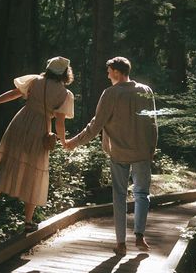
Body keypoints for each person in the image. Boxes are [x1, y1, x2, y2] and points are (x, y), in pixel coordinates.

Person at [65, 57, 157, 256]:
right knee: (142, 194)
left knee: (120, 196)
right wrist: (152, 148)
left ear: (116, 71)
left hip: (119, 153)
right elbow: (153, 122)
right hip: (142, 151)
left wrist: (74, 142)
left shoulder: (110, 93)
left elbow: (96, 125)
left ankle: (121, 243)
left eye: (109, 71)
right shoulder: (146, 90)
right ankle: (140, 235)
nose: (107, 75)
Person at [0, 56, 74, 232]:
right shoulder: (64, 94)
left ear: (49, 68)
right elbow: (60, 122)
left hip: (20, 122)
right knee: (35, 171)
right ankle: (27, 221)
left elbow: (13, 93)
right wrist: (64, 141)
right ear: (66, 73)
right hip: (41, 128)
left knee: (7, 162)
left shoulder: (35, 80)